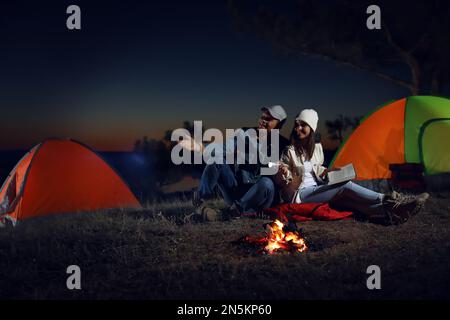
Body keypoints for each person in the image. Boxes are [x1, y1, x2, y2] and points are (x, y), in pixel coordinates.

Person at [276, 108, 429, 225]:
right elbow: (281, 171)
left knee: (352, 201)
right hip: (300, 195)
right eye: (297, 125)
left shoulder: (317, 149)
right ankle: (392, 200)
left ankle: (392, 213)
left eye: (303, 125)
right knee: (346, 186)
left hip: (318, 188)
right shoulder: (289, 151)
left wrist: (328, 172)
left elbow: (316, 169)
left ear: (311, 129)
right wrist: (284, 172)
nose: (298, 128)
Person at [182, 105, 290, 221]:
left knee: (266, 182)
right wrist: (201, 146)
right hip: (237, 190)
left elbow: (283, 169)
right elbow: (226, 147)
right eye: (262, 117)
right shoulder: (244, 133)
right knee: (216, 160)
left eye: (268, 119)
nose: (263, 121)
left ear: (279, 124)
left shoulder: (283, 144)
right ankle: (200, 203)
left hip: (261, 196)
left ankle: (232, 212)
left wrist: (279, 167)